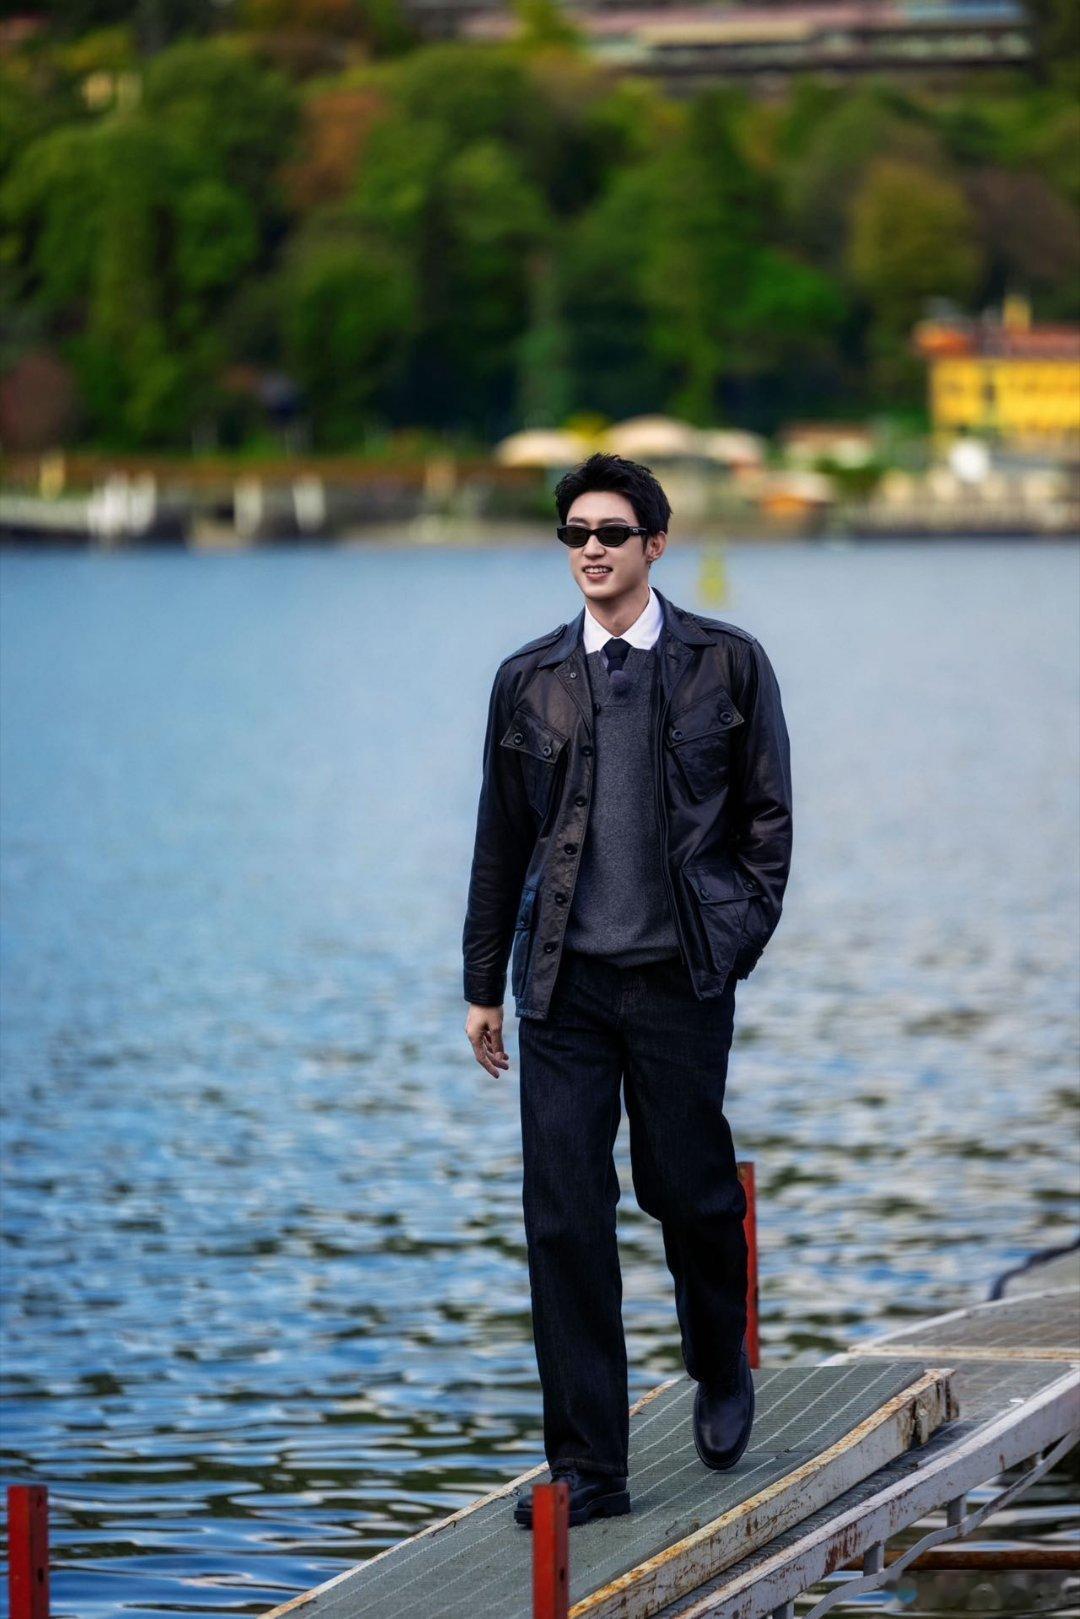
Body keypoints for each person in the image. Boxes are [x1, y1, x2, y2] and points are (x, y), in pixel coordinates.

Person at [462, 453, 793, 1529]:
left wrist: (733, 939)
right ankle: (589, 1469)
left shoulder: (727, 665)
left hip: (680, 977)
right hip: (562, 986)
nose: (591, 549)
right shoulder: (527, 678)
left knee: (688, 1191)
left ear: (656, 542)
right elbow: (499, 840)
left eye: (611, 531)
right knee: (563, 1218)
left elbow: (767, 819)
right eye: (575, 534)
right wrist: (482, 985)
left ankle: (720, 1360)